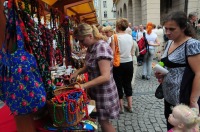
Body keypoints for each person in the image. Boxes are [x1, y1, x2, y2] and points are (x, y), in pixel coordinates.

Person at [155, 11, 200, 130]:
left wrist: (193, 101)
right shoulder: (170, 42)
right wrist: (161, 72)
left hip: (184, 98)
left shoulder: (191, 44)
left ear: (183, 28)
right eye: (166, 28)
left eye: (172, 29)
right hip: (169, 96)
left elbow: (199, 73)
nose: (168, 32)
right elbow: (169, 64)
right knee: (172, 126)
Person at [70, 23, 120, 132]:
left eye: (82, 40)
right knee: (101, 121)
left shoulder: (101, 47)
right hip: (96, 91)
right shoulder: (91, 47)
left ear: (90, 36)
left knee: (104, 122)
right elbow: (89, 66)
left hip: (104, 92)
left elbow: (105, 77)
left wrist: (83, 85)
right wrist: (78, 72)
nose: (81, 43)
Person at [110, 18, 134, 113]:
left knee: (118, 84)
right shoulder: (130, 36)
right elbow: (131, 50)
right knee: (128, 83)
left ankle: (121, 108)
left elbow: (112, 52)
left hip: (118, 63)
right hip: (129, 62)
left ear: (117, 26)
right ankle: (130, 106)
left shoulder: (114, 37)